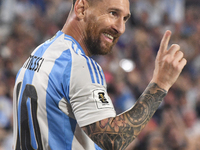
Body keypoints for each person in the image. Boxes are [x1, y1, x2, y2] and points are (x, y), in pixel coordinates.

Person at [12, 0, 187, 149]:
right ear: (81, 8)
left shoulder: (40, 53)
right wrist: (160, 83)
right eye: (113, 13)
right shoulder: (79, 65)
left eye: (125, 18)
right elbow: (114, 139)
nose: (121, 28)